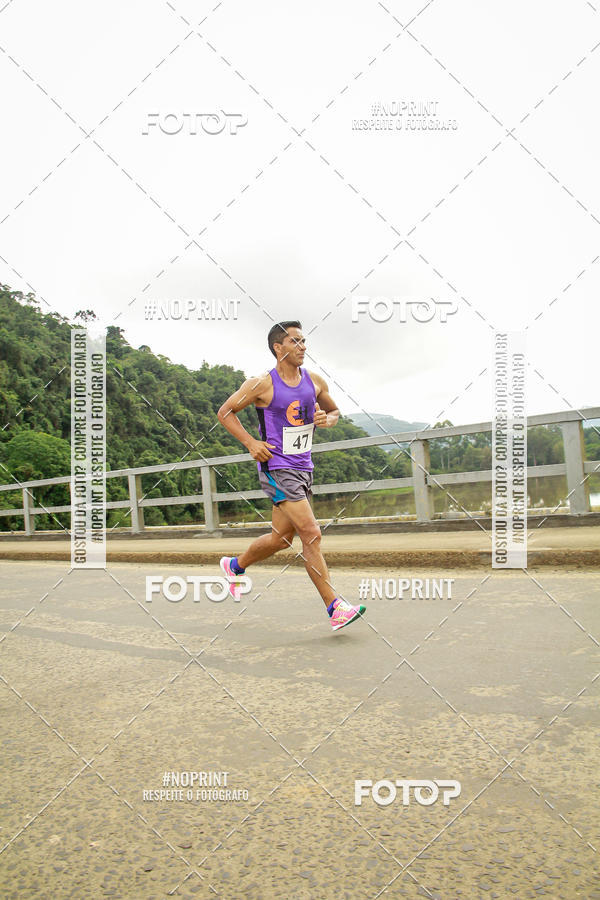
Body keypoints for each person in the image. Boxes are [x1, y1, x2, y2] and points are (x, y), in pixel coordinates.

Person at [216, 320, 366, 631]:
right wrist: (250, 442)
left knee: (281, 539)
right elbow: (225, 412)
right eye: (295, 341)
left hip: (304, 468)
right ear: (278, 347)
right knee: (311, 533)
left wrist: (328, 419)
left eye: (303, 341)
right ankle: (335, 607)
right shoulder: (261, 384)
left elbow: (335, 412)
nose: (303, 347)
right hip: (277, 468)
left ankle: (234, 565)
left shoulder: (314, 381)